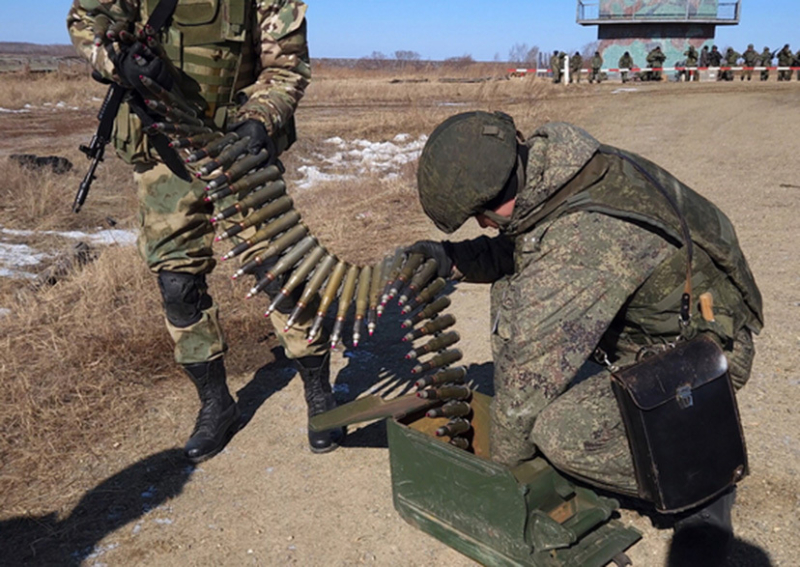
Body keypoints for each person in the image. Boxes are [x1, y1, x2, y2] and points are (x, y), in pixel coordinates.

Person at [409, 111, 763, 564]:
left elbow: (526, 380)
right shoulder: (561, 171)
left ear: (505, 187)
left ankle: (701, 479)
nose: (481, 224)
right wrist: (450, 260)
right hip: (676, 328)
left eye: (481, 214)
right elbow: (526, 243)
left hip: (697, 357)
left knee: (559, 434)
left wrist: (495, 476)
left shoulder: (582, 240)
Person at [67, 0, 344, 463]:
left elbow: (288, 66)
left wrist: (260, 121)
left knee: (281, 270)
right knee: (178, 283)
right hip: (163, 149)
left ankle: (319, 392)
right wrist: (119, 62)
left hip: (238, 146)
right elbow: (86, 22)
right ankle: (216, 404)